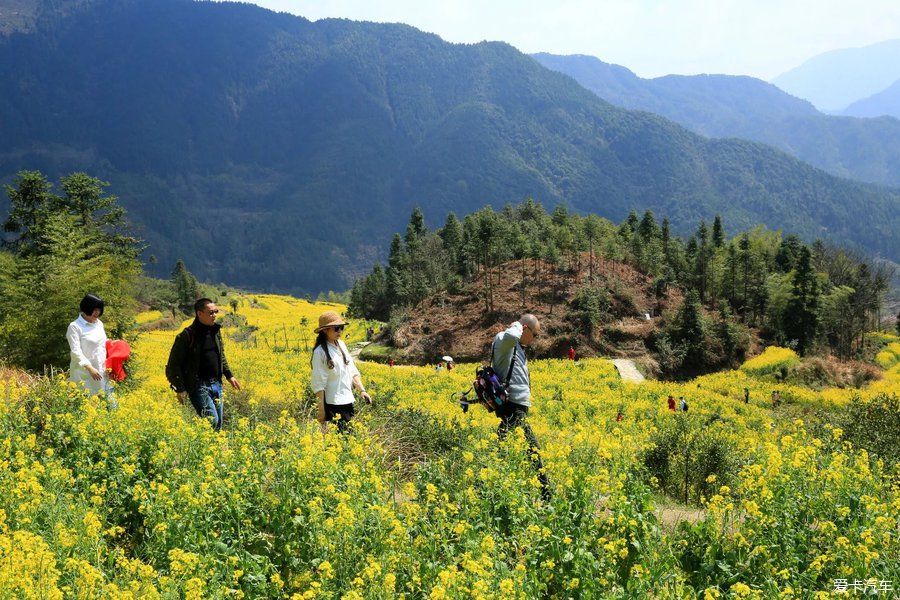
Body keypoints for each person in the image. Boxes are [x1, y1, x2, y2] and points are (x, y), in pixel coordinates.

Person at [492, 314, 550, 501]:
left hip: (517, 406)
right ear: (525, 329)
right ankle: (546, 494)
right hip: (512, 407)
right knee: (533, 449)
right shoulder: (505, 339)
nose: (535, 339)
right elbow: (510, 336)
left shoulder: (518, 348)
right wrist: (517, 325)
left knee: (501, 446)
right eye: (535, 334)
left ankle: (484, 485)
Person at [166, 298, 241, 431]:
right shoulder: (186, 336)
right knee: (211, 421)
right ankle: (202, 444)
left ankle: (215, 450)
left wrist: (230, 376)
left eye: (216, 312)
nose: (215, 315)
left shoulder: (215, 331)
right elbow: (173, 365)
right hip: (199, 386)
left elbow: (220, 355)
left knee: (218, 425)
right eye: (211, 313)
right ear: (199, 314)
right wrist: (180, 388)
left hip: (217, 384)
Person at [310, 311, 371, 433]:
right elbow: (319, 384)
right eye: (336, 328)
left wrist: (362, 390)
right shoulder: (319, 352)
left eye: (341, 328)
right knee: (342, 437)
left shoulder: (341, 345)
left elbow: (351, 369)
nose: (340, 332)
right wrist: (321, 410)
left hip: (347, 399)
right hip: (333, 403)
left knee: (346, 435)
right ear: (325, 330)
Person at [66, 294, 116, 409]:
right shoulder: (74, 327)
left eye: (99, 310)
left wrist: (112, 343)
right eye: (94, 309)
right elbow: (75, 351)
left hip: (102, 371)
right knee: (86, 406)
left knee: (111, 405)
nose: (97, 313)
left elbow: (101, 343)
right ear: (85, 308)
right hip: (84, 373)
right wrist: (90, 368)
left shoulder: (99, 324)